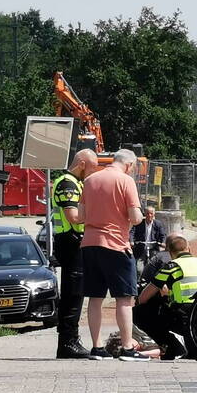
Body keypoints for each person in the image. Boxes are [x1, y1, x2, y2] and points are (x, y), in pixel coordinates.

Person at [79, 149, 149, 362]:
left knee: (95, 297)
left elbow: (81, 216)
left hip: (90, 243)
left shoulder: (90, 180)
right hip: (116, 245)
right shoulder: (126, 181)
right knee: (124, 298)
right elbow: (136, 218)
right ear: (129, 165)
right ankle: (128, 348)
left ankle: (97, 347)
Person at [52, 148, 100, 359]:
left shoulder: (77, 183)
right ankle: (67, 342)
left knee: (77, 293)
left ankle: (71, 339)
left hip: (76, 241)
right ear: (81, 164)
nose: (92, 172)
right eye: (91, 167)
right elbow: (73, 216)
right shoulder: (67, 183)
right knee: (72, 293)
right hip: (70, 241)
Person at [134, 235, 197, 360]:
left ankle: (173, 346)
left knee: (138, 313)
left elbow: (143, 298)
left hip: (185, 317)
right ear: (189, 248)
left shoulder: (172, 266)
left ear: (170, 253)